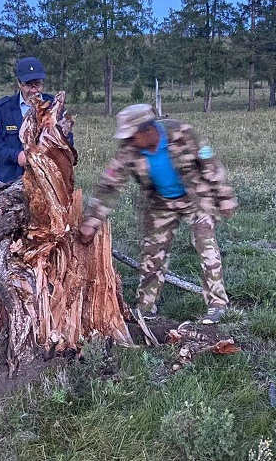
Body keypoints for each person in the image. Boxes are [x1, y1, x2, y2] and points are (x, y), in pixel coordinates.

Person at [79, 104, 237, 324]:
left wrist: (225, 197)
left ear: (147, 129)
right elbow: (109, 185)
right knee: (152, 253)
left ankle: (217, 305)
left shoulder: (181, 133)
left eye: (133, 135)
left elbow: (210, 164)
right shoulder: (130, 150)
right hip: (160, 204)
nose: (130, 140)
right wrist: (92, 220)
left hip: (195, 199)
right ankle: (145, 307)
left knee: (206, 246)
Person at [0, 56, 62, 183]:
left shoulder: (54, 105)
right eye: (28, 85)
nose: (34, 90)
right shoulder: (3, 108)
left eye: (37, 84)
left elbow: (67, 140)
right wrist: (17, 156)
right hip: (9, 180)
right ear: (19, 83)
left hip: (46, 180)